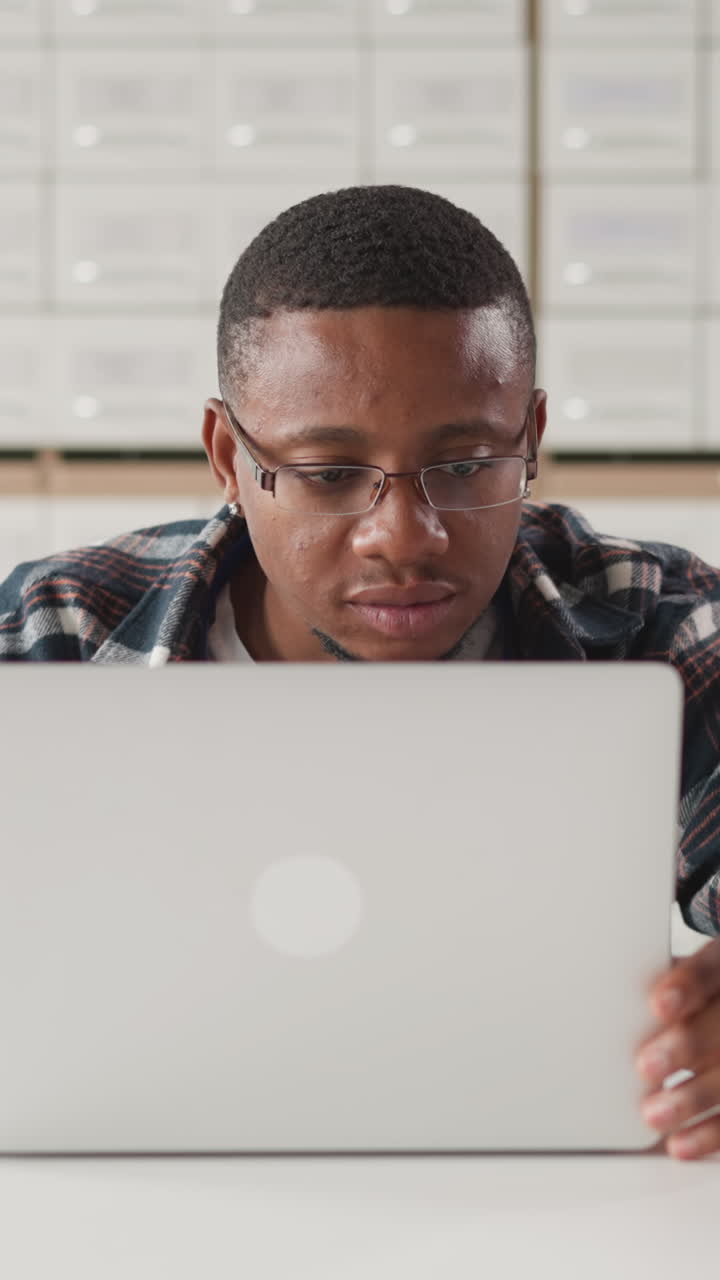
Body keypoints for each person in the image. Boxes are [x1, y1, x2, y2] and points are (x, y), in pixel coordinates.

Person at [1, 185, 719, 1159]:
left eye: (466, 464)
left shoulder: (657, 618)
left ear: (532, 438)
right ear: (227, 455)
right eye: (330, 474)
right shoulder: (55, 635)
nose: (403, 536)